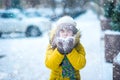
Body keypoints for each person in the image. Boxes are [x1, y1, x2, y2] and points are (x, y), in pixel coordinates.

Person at [45, 15, 86, 80]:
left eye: (69, 31)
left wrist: (70, 51)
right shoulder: (52, 45)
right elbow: (50, 65)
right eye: (62, 31)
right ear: (58, 32)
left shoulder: (78, 46)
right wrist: (59, 51)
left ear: (73, 33)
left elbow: (80, 65)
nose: (65, 34)